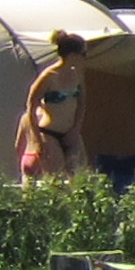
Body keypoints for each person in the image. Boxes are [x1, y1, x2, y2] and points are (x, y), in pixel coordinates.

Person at [16, 30, 89, 181]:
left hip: (71, 132)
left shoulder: (77, 74)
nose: (85, 58)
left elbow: (82, 103)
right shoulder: (48, 77)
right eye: (83, 54)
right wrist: (37, 140)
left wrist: (76, 129)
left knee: (80, 178)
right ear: (73, 55)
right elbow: (31, 107)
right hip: (49, 133)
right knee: (57, 180)